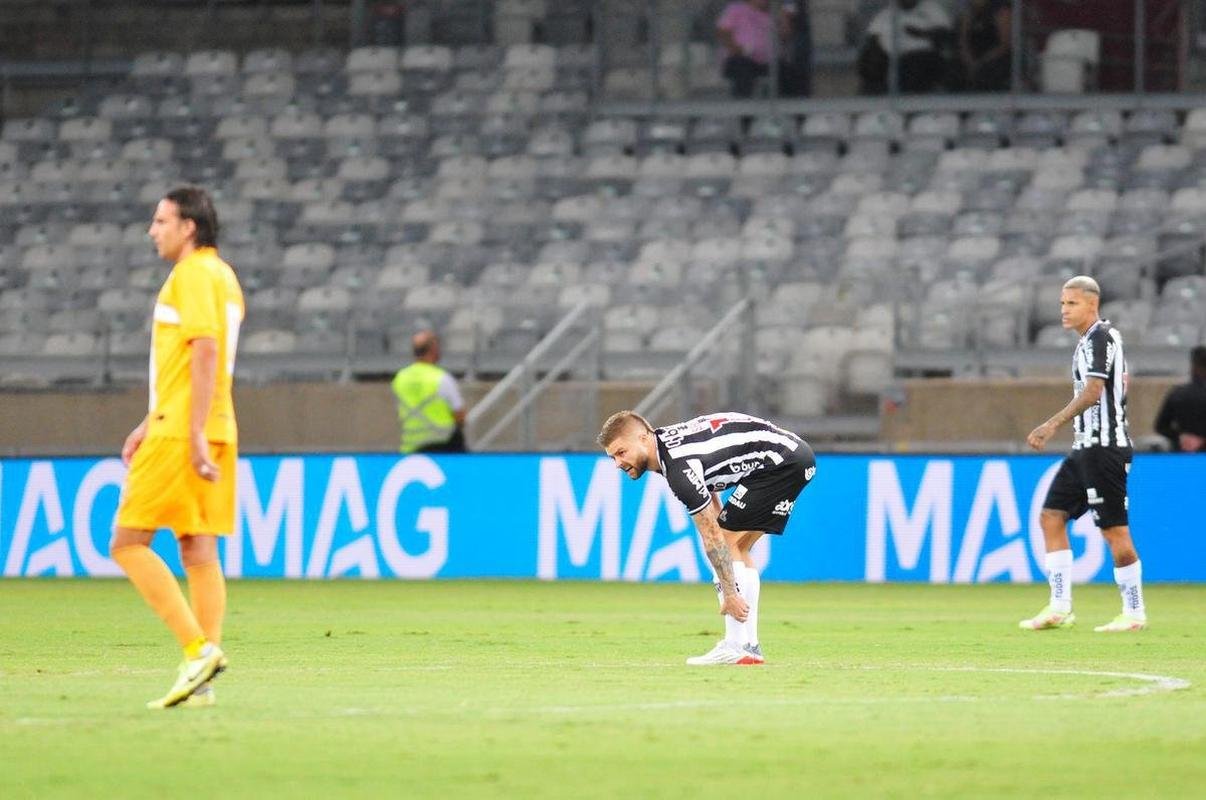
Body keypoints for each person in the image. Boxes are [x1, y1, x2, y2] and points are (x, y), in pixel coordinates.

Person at [109, 185, 245, 708]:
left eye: (161, 220)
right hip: (215, 423)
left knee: (127, 542)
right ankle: (202, 676)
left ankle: (196, 651)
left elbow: (205, 349)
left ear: (189, 226)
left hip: (185, 428)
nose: (153, 230)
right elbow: (193, 364)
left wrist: (186, 432)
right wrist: (150, 418)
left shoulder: (190, 275)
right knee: (198, 547)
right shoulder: (224, 276)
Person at [597, 410, 816, 665]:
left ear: (644, 438)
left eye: (622, 453)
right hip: (795, 456)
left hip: (780, 462)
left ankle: (736, 645)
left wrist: (730, 594)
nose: (618, 463)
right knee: (739, 547)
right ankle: (750, 647)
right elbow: (710, 490)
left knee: (726, 542)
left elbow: (712, 535)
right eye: (613, 457)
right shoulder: (666, 447)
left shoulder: (679, 469)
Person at [1022, 275, 1146, 633]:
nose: (1064, 310)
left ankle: (1134, 612)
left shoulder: (1102, 337)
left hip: (1104, 448)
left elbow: (1094, 392)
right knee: (1051, 516)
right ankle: (1060, 607)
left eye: (1071, 303)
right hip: (1085, 448)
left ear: (1092, 305)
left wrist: (1051, 424)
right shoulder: (1089, 341)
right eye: (1062, 303)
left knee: (1114, 532)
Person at [391, 329, 467, 453]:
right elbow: (460, 416)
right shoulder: (441, 378)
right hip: (443, 445)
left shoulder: (400, 378)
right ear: (434, 349)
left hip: (410, 446)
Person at [716, 0, 809, 99]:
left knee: (790, 72)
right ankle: (743, 108)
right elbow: (723, 32)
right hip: (740, 58)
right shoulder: (736, 9)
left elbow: (785, 36)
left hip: (767, 62)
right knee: (742, 70)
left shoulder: (772, 14)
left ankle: (792, 109)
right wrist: (737, 49)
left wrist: (784, 19)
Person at [858, 0, 953, 94]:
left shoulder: (932, 9)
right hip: (890, 60)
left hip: (923, 58)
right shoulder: (885, 15)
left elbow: (945, 36)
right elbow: (872, 40)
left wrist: (921, 34)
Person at [1154, 346, 1206, 452]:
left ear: (1193, 366)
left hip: (1182, 455)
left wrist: (1181, 437)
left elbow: (1161, 426)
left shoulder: (1178, 393)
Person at [957, 0, 1012, 92]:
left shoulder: (1001, 9)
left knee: (985, 73)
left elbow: (1005, 44)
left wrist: (982, 62)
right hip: (973, 59)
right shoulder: (969, 12)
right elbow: (963, 41)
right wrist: (969, 61)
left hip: (996, 58)